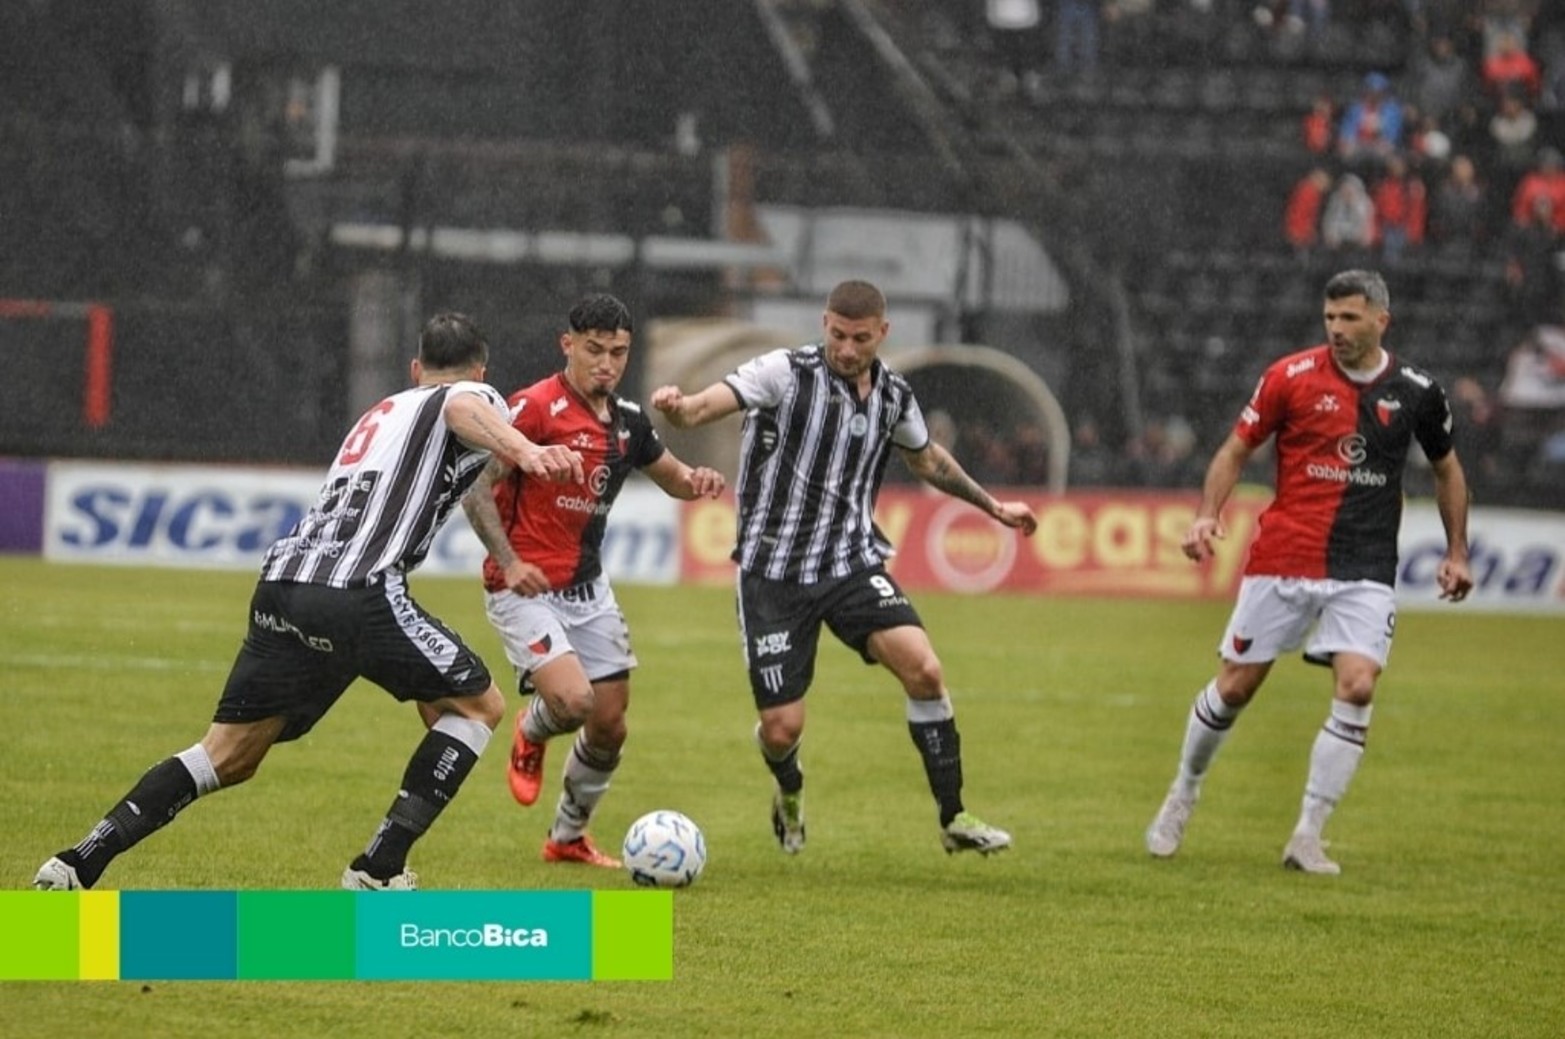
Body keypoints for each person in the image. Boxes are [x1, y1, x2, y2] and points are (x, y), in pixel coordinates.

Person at [32, 313, 585, 892]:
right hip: (358, 591)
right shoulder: (470, 394)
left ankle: (77, 861)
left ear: (414, 368)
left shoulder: (382, 413)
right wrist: (526, 449)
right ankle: (377, 869)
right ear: (479, 369)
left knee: (228, 755)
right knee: (480, 707)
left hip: (283, 586)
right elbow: (461, 408)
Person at [650, 280, 1038, 856]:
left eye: (860, 338)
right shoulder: (783, 372)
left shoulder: (893, 396)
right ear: (824, 322)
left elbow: (927, 458)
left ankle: (954, 817)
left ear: (882, 333)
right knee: (782, 730)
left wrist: (993, 506)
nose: (848, 348)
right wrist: (681, 411)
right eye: (838, 334)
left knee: (925, 671)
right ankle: (790, 790)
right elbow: (708, 405)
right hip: (771, 574)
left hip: (849, 562)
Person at [1144, 269, 1473, 875]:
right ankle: (1184, 791)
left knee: (1358, 686)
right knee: (1236, 687)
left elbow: (1447, 469)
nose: (1337, 330)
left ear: (1381, 320)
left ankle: (1307, 835)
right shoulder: (1289, 377)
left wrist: (1457, 552)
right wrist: (1205, 516)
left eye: (1350, 318)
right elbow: (1234, 450)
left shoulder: (1418, 391)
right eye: (1330, 318)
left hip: (1366, 565)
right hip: (1285, 557)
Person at [461, 294, 725, 869]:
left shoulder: (629, 424)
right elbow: (476, 488)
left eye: (618, 353)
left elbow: (674, 477)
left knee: (609, 724)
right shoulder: (531, 409)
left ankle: (567, 839)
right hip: (522, 587)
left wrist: (697, 480)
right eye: (595, 350)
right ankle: (533, 730)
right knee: (575, 701)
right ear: (568, 346)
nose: (606, 363)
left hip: (587, 589)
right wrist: (508, 562)